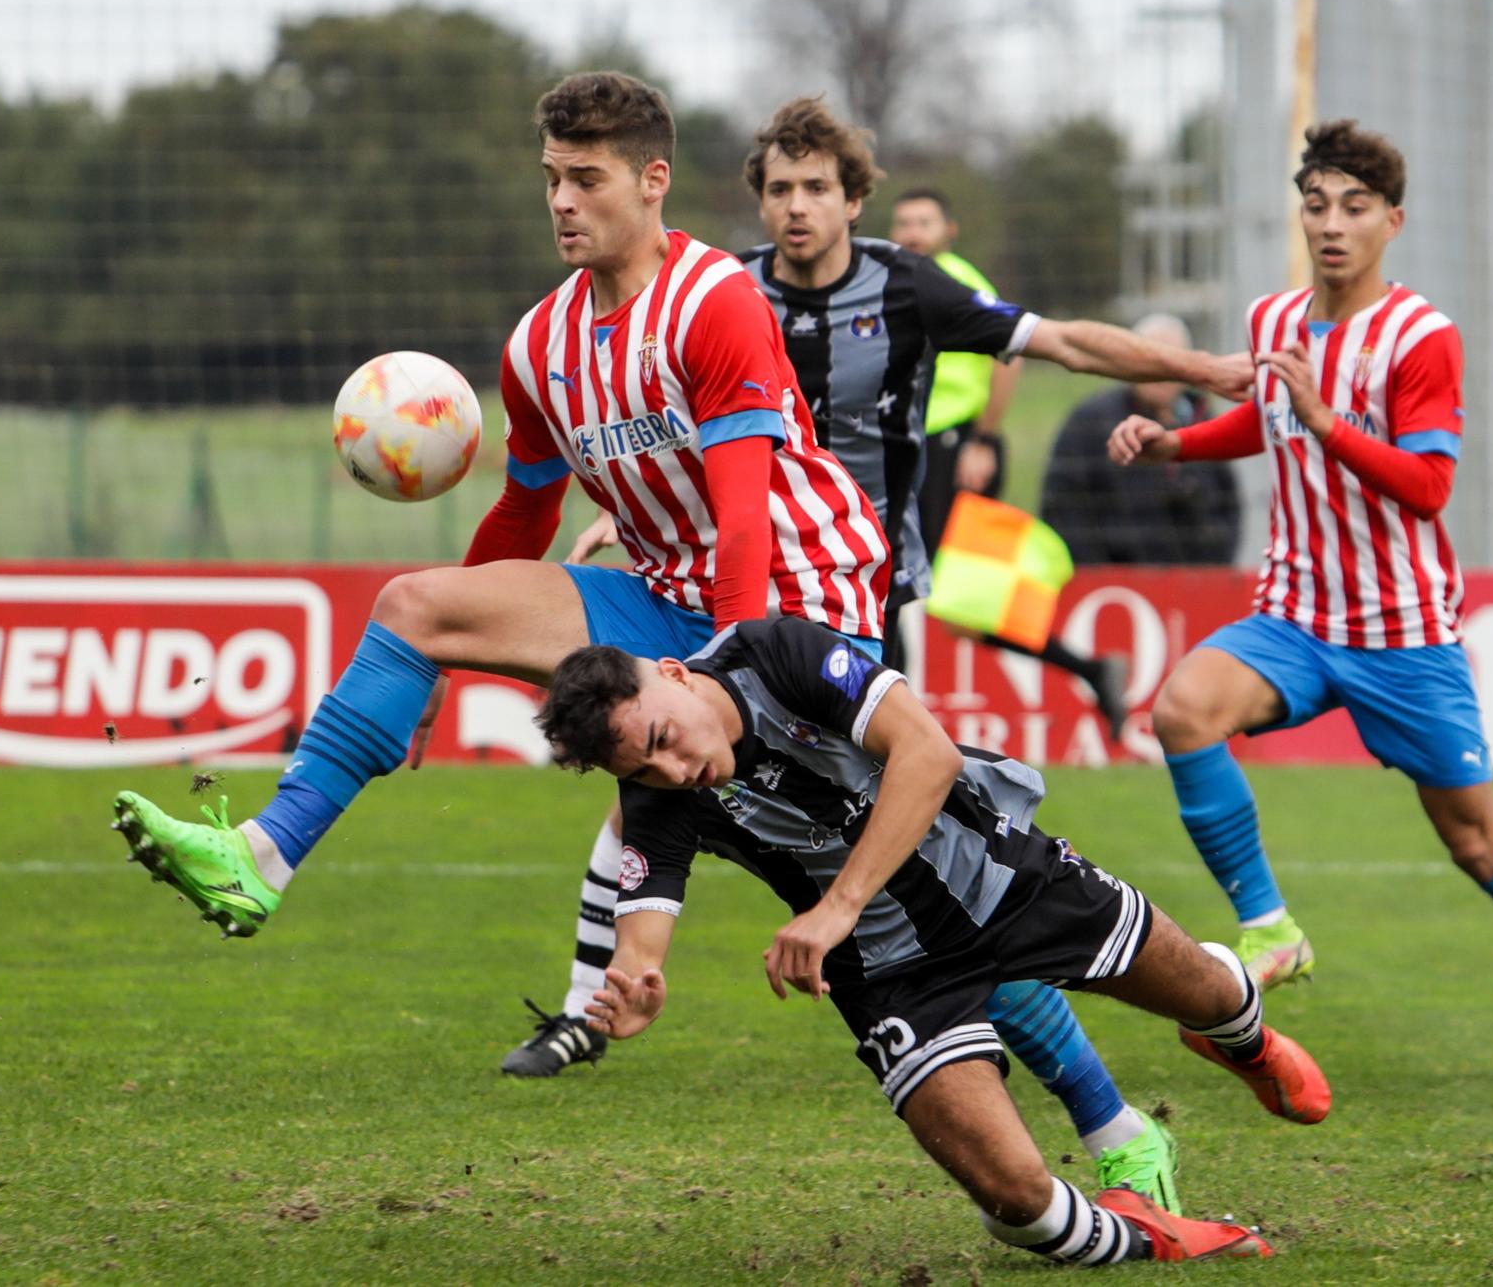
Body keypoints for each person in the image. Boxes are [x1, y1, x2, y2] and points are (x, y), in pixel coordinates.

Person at [521, 98, 1255, 1209]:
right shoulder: (723, 293)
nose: (796, 207)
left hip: (858, 606)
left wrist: (1199, 370)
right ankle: (1102, 1123)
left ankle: (1110, 1119)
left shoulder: (905, 286)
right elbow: (710, 437)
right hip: (752, 625)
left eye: (816, 187)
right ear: (757, 202)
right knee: (895, 890)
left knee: (939, 885)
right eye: (777, 189)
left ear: (853, 201)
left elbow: (1052, 341)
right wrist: (636, 517)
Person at [108, 70, 893, 944]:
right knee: (415, 605)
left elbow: (745, 521)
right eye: (553, 178)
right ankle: (262, 854)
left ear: (653, 180)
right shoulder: (539, 344)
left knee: (921, 891)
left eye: (587, 180)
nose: (562, 201)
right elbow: (525, 515)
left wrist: (727, 683)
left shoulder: (716, 304)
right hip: (671, 602)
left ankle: (1076, 1070)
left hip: (801, 610)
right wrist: (440, 656)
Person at [538, 617, 1334, 1265]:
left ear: (673, 673)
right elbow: (645, 917)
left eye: (665, 739)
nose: (675, 771)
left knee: (1212, 991)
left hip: (1008, 879)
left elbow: (929, 751)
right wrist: (638, 978)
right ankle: (1151, 1239)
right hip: (892, 976)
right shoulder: (656, 792)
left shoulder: (777, 652)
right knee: (1015, 1200)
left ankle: (1246, 1042)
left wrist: (837, 904)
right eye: (644, 768)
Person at [1107, 119, 1493, 1087]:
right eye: (1315, 206)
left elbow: (1427, 484)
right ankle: (1270, 927)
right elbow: (1262, 423)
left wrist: (1326, 421)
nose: (1330, 225)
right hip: (1295, 617)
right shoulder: (1272, 324)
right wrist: (1176, 443)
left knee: (1477, 843)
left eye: (1353, 208)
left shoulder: (1420, 338)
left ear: (1391, 220)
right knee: (1180, 709)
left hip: (1401, 636)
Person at [889, 186, 1135, 733]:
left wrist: (983, 439)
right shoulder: (899, 280)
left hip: (953, 447)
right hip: (916, 449)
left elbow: (1010, 358)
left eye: (924, 222)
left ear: (949, 229)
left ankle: (891, 723)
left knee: (912, 586)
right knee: (955, 605)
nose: (911, 233)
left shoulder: (956, 280)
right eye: (903, 222)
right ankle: (1090, 670)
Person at [1042, 314, 1240, 565]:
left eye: (1173, 362)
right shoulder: (1091, 422)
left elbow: (1228, 505)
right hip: (1114, 587)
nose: (1160, 373)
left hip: (1194, 587)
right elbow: (1063, 506)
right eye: (1151, 362)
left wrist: (1212, 570)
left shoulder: (1206, 422)